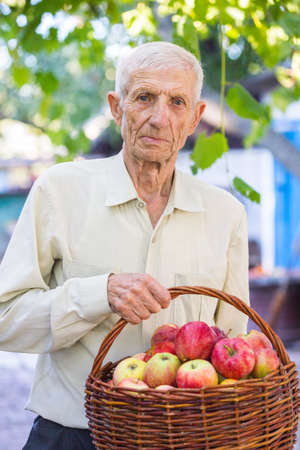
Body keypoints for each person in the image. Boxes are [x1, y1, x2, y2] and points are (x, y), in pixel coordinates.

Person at [0, 41, 249, 449]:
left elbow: (231, 348)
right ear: (116, 107)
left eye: (177, 102)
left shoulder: (226, 214)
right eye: (144, 98)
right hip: (74, 436)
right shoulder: (59, 191)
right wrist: (99, 294)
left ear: (195, 118)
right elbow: (4, 319)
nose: (158, 117)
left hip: (183, 438)